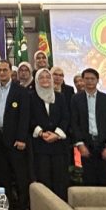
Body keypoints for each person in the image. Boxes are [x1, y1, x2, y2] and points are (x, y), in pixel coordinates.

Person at [0, 60, 31, 210]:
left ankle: (22, 207)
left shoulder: (21, 91)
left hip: (15, 140)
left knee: (20, 175)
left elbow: (25, 117)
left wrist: (21, 138)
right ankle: (7, 206)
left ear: (11, 72)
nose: (2, 73)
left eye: (5, 70)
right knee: (3, 175)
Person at [70, 68, 106, 186]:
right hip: (86, 144)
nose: (89, 81)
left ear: (97, 80)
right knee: (89, 180)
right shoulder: (76, 99)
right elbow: (74, 123)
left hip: (104, 144)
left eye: (92, 79)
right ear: (82, 80)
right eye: (87, 79)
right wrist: (80, 144)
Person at [30, 69, 70, 201]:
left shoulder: (60, 97)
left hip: (58, 145)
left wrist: (57, 134)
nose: (45, 79)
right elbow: (29, 118)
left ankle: (61, 207)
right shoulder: (31, 97)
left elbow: (66, 117)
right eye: (41, 77)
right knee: (43, 178)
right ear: (37, 80)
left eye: (47, 77)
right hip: (40, 145)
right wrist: (41, 133)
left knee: (60, 179)